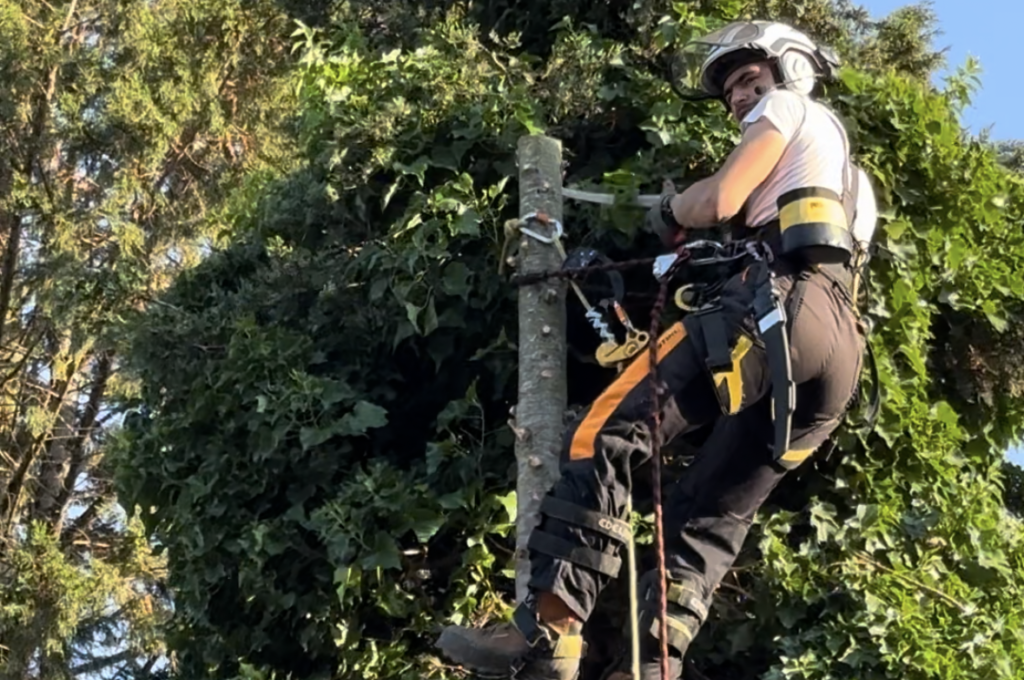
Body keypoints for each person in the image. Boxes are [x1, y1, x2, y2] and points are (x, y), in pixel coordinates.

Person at [436, 20, 878, 680]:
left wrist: (679, 204)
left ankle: (546, 631)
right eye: (731, 90)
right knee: (710, 513)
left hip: (779, 306)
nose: (739, 97)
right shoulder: (851, 178)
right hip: (835, 357)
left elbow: (723, 196)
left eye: (748, 79)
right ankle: (650, 669)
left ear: (790, 70)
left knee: (605, 431)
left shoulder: (787, 107)